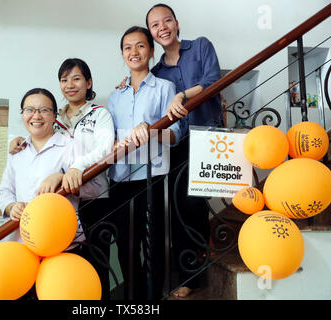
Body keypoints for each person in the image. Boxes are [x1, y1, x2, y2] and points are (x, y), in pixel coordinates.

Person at [9, 60, 115, 299]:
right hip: (59, 205)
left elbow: (104, 150)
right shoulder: (52, 118)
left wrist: (74, 168)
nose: (70, 85)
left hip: (94, 199)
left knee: (95, 268)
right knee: (59, 272)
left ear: (88, 83)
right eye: (64, 79)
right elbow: (40, 145)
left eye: (76, 78)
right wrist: (16, 139)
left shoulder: (100, 114)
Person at [145, 3, 222, 298]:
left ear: (176, 23)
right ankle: (191, 274)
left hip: (207, 136)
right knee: (179, 209)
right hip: (176, 142)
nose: (162, 27)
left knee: (195, 204)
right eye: (155, 25)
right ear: (152, 33)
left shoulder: (200, 46)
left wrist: (181, 93)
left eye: (166, 21)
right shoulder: (156, 70)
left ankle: (200, 268)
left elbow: (213, 82)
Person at [107, 26, 181, 300]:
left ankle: (152, 300)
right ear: (122, 54)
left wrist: (150, 129)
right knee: (125, 245)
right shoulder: (116, 95)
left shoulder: (165, 88)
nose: (133, 52)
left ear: (151, 51)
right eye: (127, 47)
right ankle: (135, 299)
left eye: (140, 46)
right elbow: (110, 137)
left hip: (151, 178)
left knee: (153, 246)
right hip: (120, 178)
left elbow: (175, 135)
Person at [0, 88, 100, 249]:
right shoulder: (17, 150)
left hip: (61, 242)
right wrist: (11, 207)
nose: (36, 116)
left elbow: (95, 188)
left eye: (44, 110)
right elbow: (4, 190)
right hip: (23, 241)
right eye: (29, 110)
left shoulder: (71, 146)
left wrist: (62, 177)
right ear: (23, 113)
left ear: (54, 116)